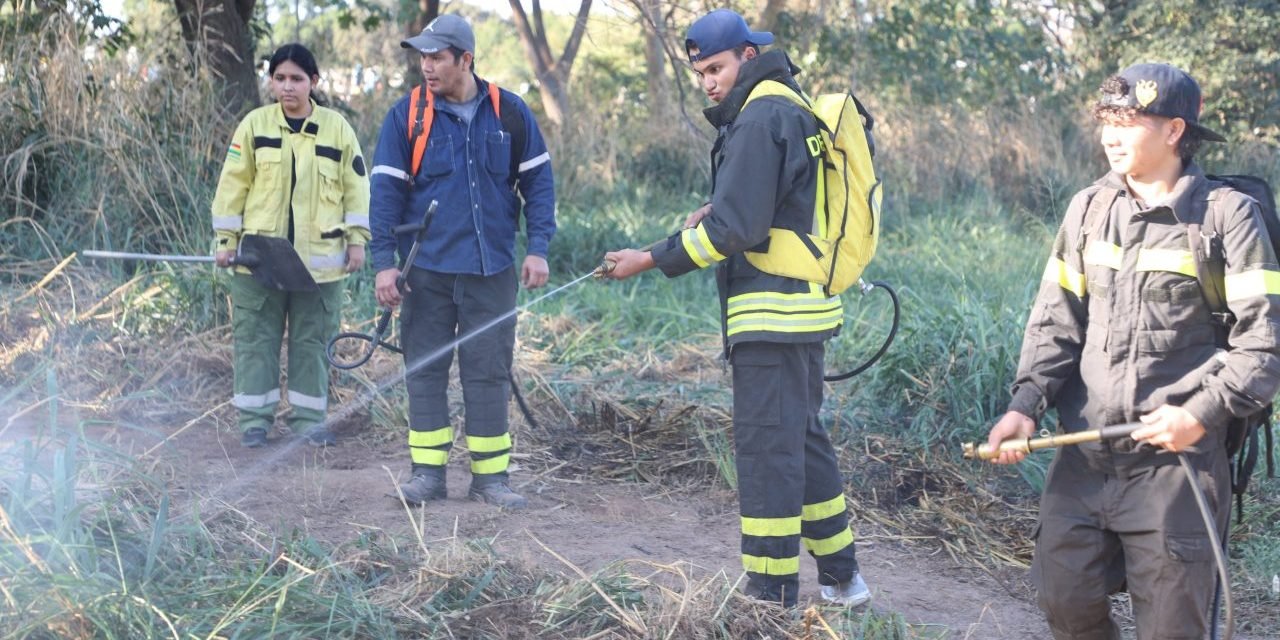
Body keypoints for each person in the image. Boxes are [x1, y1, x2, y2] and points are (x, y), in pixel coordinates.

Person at [984, 63, 1280, 639]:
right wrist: (1024, 405)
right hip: (1085, 461)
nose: (1110, 135)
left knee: (1172, 628)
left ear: (1174, 131)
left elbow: (1264, 345)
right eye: (1105, 120)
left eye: (1127, 120)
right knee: (1063, 602)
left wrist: (1199, 415)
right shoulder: (1089, 209)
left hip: (1177, 470)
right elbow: (1055, 324)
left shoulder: (1228, 217)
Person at [601, 9, 869, 608]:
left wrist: (648, 258)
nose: (709, 83)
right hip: (801, 315)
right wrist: (719, 208)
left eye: (717, 68)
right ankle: (844, 579)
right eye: (700, 74)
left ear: (749, 56)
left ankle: (769, 594)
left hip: (770, 317)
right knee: (801, 441)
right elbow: (768, 208)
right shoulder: (785, 106)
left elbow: (734, 230)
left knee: (768, 451)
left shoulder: (758, 118)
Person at [369, 14, 556, 509]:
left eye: (436, 57)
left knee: (488, 373)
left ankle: (491, 481)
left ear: (465, 59)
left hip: (491, 271)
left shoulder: (510, 113)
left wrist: (538, 248)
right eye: (422, 57)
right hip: (425, 272)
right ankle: (427, 477)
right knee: (425, 372)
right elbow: (384, 192)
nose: (426, 66)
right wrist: (383, 263)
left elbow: (539, 185)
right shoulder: (405, 116)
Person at [211, 43, 370, 449]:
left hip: (319, 267)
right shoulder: (254, 126)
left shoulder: (337, 129)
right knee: (255, 340)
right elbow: (232, 186)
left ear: (313, 83)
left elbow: (357, 191)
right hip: (258, 261)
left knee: (312, 343)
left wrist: (357, 242)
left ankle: (308, 422)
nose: (287, 87)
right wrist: (226, 241)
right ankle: (254, 422)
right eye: (279, 78)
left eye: (296, 79)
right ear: (270, 81)